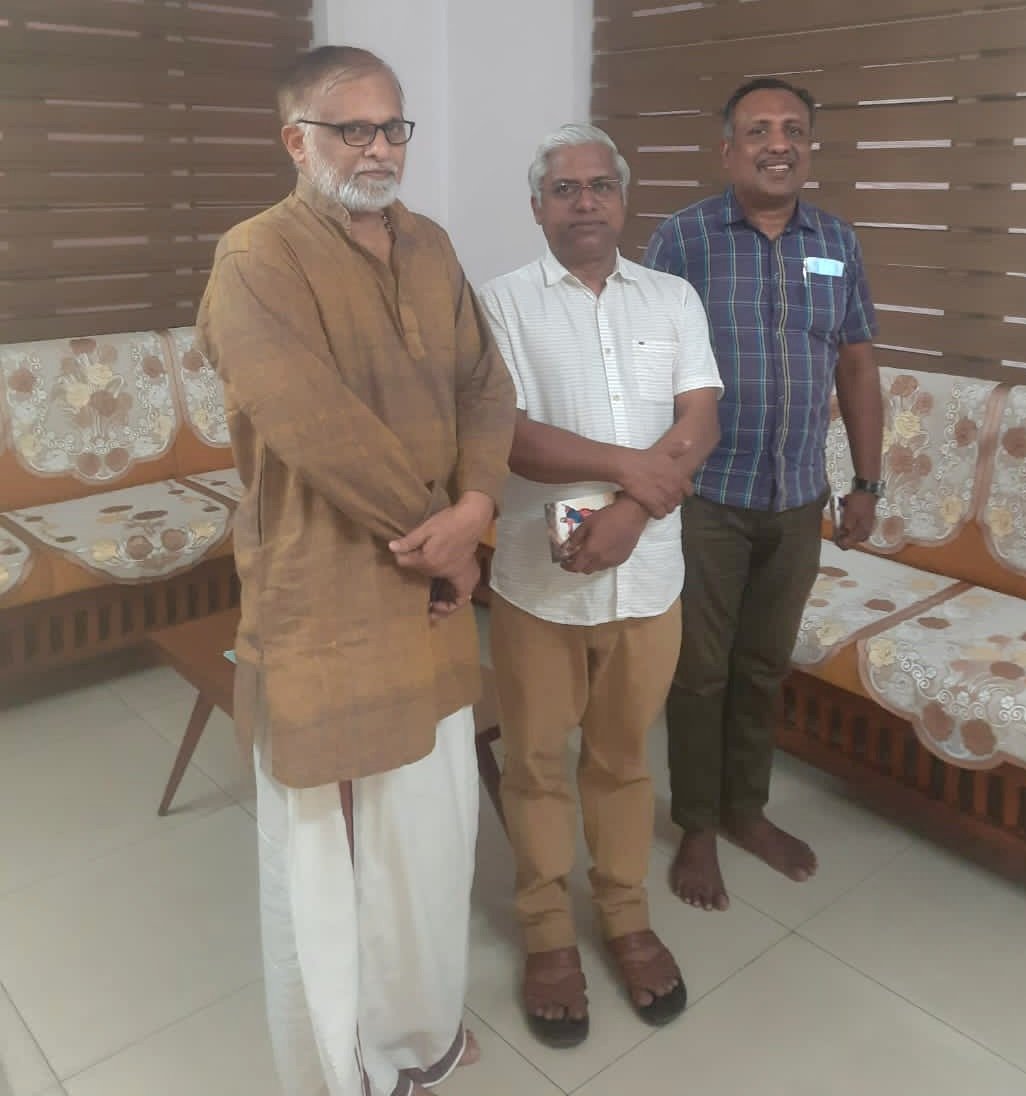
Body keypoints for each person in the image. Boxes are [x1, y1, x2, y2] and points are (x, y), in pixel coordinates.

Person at [196, 46, 516, 1096]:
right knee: (328, 851)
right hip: (325, 588)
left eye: (393, 128)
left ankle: (420, 1034)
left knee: (427, 833)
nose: (379, 149)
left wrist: (474, 511)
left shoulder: (430, 244)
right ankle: (342, 1068)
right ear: (298, 141)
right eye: (353, 130)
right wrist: (444, 532)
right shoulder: (255, 258)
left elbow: (485, 382)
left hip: (434, 584)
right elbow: (310, 424)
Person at [479, 124, 723, 1047]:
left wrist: (630, 513)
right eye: (564, 189)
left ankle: (624, 915)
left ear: (624, 200)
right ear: (538, 206)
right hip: (539, 584)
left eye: (600, 187)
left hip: (650, 576)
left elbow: (698, 414)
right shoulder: (497, 304)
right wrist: (635, 472)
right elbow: (506, 434)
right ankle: (547, 933)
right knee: (537, 763)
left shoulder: (671, 296)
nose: (585, 202)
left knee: (623, 760)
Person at [644, 77, 884, 913]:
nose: (777, 144)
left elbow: (856, 364)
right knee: (701, 673)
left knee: (762, 666)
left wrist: (865, 480)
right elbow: (647, 367)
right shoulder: (683, 240)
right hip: (707, 495)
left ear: (809, 147)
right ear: (728, 150)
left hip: (796, 498)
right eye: (758, 130)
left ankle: (747, 810)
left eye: (793, 130)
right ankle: (698, 826)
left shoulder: (838, 242)